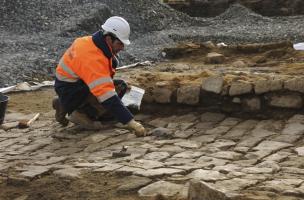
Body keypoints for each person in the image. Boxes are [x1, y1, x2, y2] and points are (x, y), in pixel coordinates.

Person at [52, 16, 147, 137]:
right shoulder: (92, 58)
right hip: (71, 91)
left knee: (122, 87)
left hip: (73, 86)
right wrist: (130, 122)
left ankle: (63, 103)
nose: (122, 48)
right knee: (108, 104)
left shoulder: (92, 42)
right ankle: (82, 115)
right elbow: (106, 94)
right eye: (119, 43)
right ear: (108, 39)